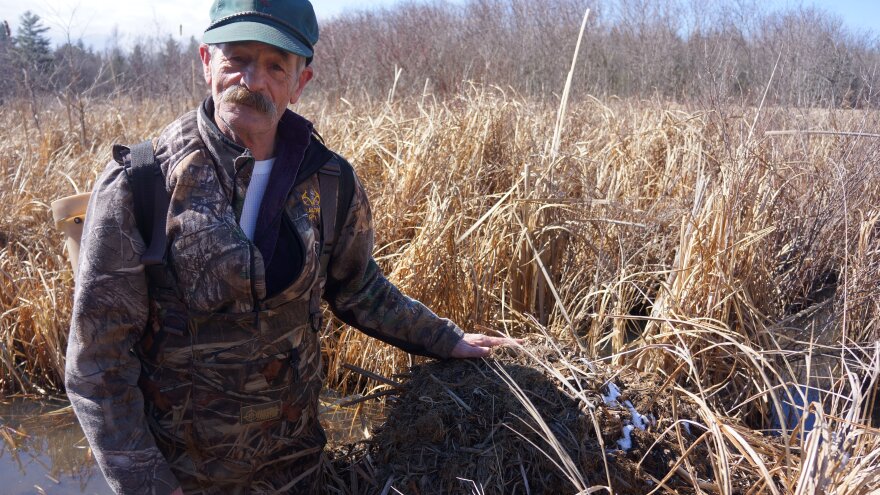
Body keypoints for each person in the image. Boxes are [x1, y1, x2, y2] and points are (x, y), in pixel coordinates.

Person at [64, 1, 517, 493]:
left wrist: (445, 339)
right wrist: (149, 484)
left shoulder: (330, 180)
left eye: (276, 65)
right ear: (205, 62)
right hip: (184, 480)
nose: (253, 80)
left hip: (298, 471)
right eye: (237, 58)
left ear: (301, 82)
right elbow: (98, 364)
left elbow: (358, 288)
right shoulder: (142, 183)